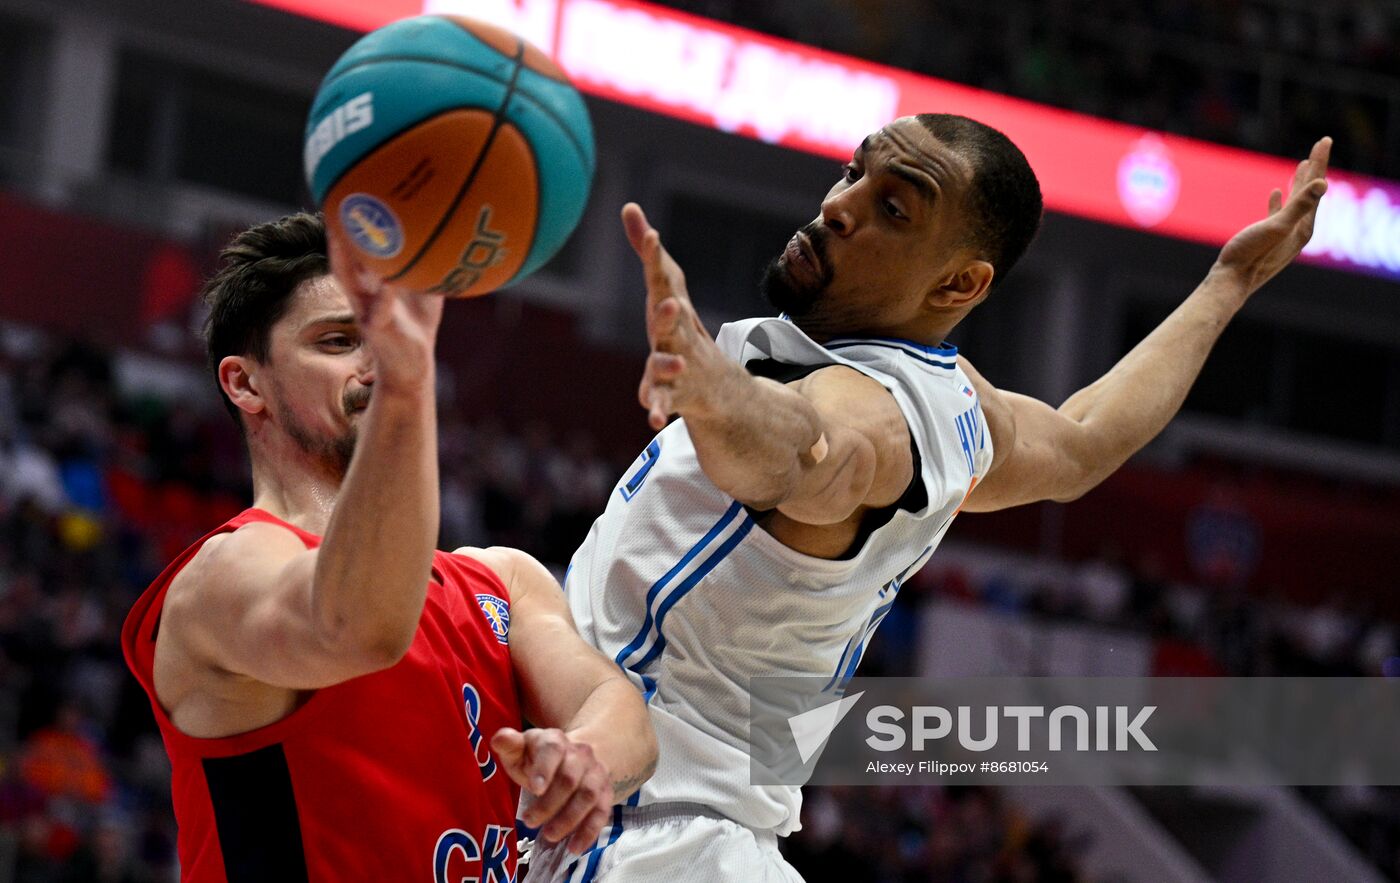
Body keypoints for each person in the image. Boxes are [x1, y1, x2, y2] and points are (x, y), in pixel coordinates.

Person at [524, 114, 1331, 882]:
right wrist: (1230, 279)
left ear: (959, 282)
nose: (838, 206)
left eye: (894, 207)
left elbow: (805, 456)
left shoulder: (874, 413)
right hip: (684, 831)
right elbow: (1085, 439)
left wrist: (714, 396)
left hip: (634, 832)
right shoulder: (959, 405)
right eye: (854, 172)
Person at [120, 214, 657, 882]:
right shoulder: (222, 576)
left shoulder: (501, 580)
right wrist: (406, 382)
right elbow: (361, 628)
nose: (372, 360)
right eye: (341, 339)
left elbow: (618, 708)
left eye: (382, 339)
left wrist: (586, 756)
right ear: (245, 383)